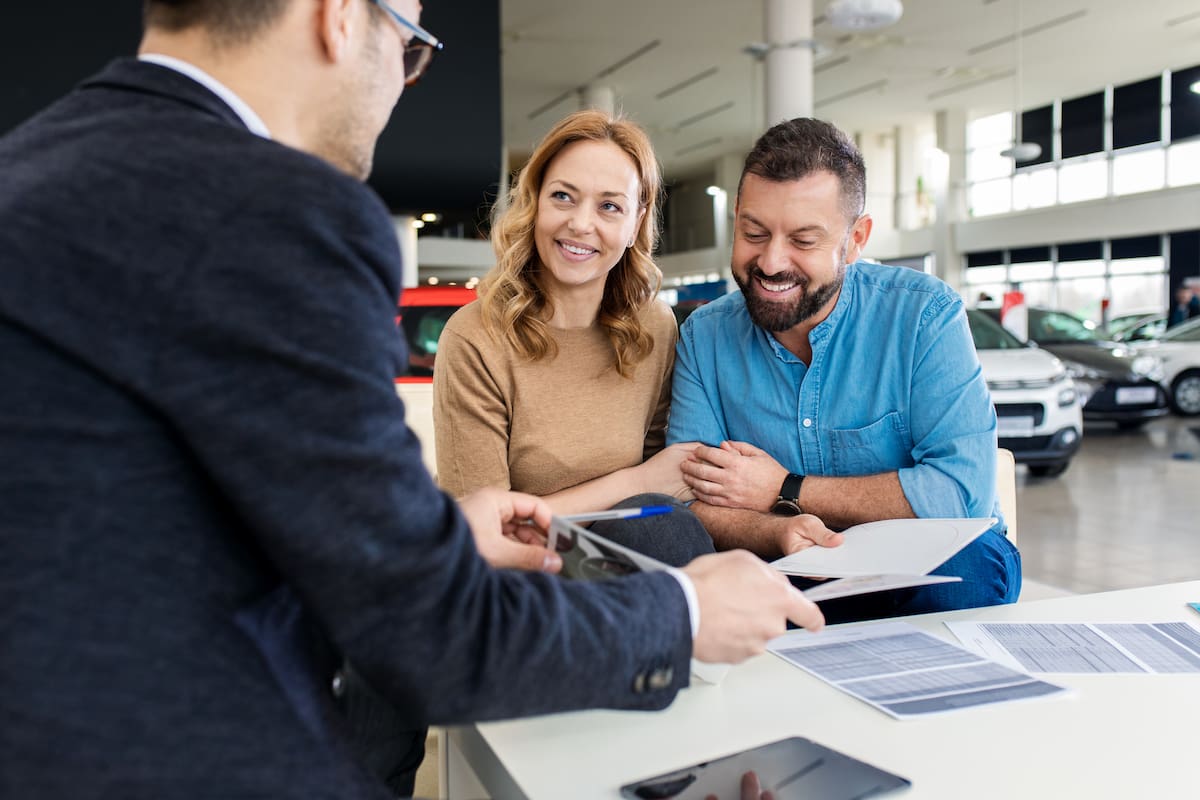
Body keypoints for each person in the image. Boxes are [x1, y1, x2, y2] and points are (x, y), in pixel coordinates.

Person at [0, 3, 824, 798]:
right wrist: (679, 616)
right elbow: (429, 629)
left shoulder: (33, 166)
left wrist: (426, 537)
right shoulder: (279, 216)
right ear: (337, 17)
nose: (403, 80)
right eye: (409, 43)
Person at [668, 118, 1021, 624]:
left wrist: (785, 489)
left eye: (803, 241)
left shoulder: (923, 315)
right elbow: (690, 497)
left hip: (925, 561)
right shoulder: (705, 336)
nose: (770, 262)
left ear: (856, 239)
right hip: (784, 563)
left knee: (967, 572)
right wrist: (773, 530)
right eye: (753, 233)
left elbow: (960, 494)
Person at [433, 109, 713, 565]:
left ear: (638, 218)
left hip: (633, 575)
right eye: (563, 196)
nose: (581, 224)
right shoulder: (475, 338)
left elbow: (665, 495)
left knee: (669, 534)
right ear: (536, 200)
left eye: (609, 206)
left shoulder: (654, 327)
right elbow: (487, 533)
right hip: (528, 582)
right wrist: (633, 483)